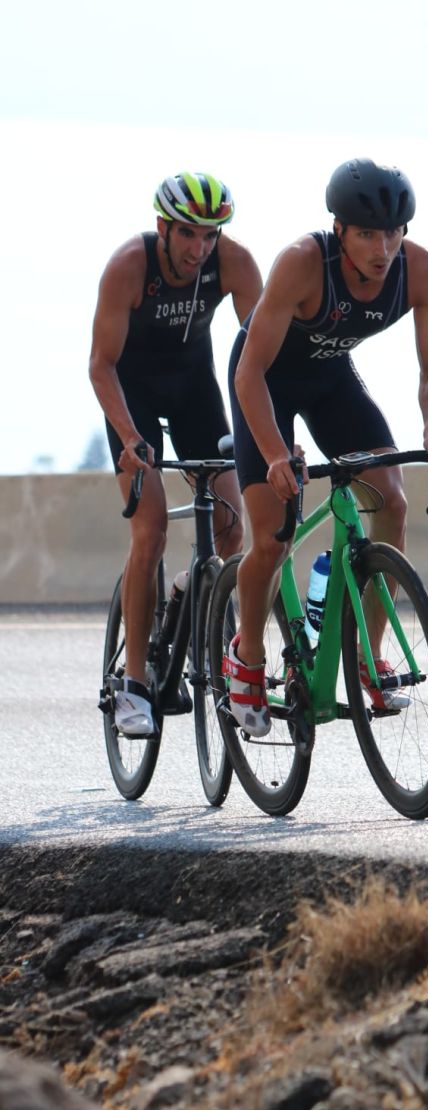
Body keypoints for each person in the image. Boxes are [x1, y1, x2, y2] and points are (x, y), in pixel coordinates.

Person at [224, 157, 428, 738]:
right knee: (274, 534)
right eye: (366, 234)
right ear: (339, 230)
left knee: (393, 505)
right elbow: (250, 373)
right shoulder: (303, 265)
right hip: (266, 380)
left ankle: (365, 655)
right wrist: (278, 454)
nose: (382, 247)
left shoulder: (424, 271)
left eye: (392, 232)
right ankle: (246, 657)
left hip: (331, 378)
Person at [89, 171, 264, 737]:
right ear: (163, 227)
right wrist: (130, 437)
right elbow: (101, 365)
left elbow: (265, 357)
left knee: (235, 526)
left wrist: (274, 434)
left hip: (195, 393)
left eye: (210, 235)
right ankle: (135, 683)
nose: (199, 248)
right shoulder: (129, 267)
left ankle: (189, 591)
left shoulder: (235, 264)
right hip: (132, 396)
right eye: (188, 233)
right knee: (153, 528)